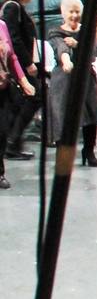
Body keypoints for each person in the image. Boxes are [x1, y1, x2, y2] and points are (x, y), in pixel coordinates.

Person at [46, 0, 97, 167]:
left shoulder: (87, 30)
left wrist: (78, 44)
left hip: (85, 76)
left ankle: (89, 150)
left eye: (77, 12)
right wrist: (66, 61)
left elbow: (96, 50)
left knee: (91, 113)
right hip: (64, 77)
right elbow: (61, 48)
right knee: (62, 115)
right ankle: (63, 154)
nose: (74, 15)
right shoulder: (55, 31)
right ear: (63, 13)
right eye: (70, 12)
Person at [2, 0, 42, 160]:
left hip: (20, 65)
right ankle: (12, 142)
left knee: (22, 103)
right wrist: (27, 63)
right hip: (17, 67)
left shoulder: (17, 8)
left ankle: (13, 143)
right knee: (32, 98)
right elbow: (13, 40)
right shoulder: (12, 7)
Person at [0, 16, 36, 189]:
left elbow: (12, 56)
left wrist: (24, 81)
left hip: (3, 88)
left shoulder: (2, 25)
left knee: (2, 131)